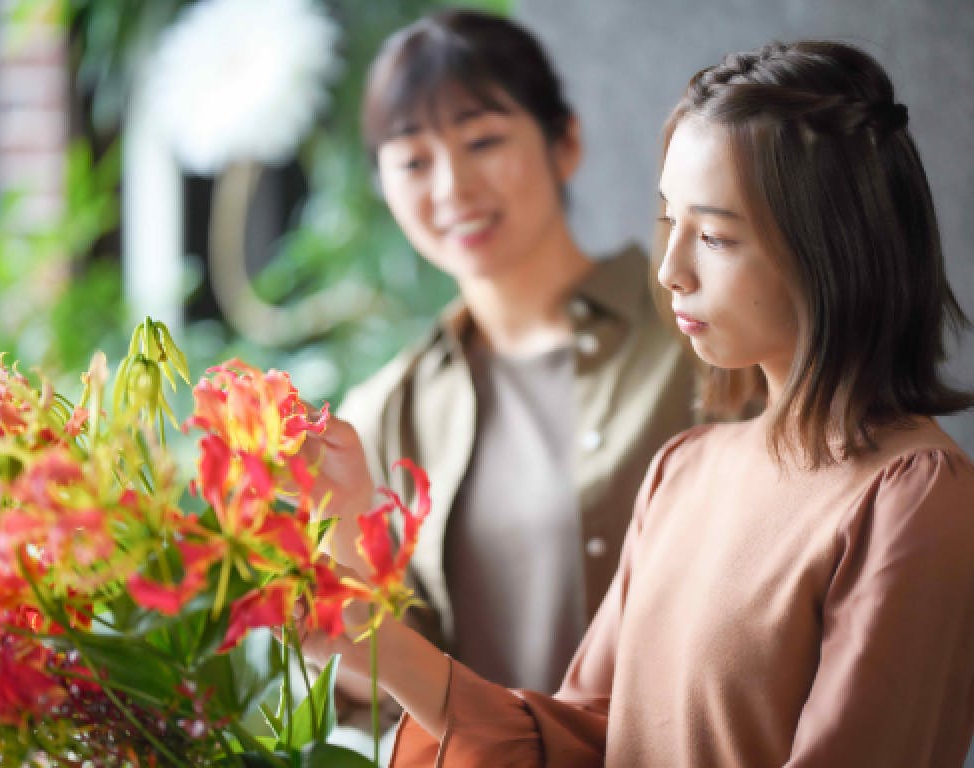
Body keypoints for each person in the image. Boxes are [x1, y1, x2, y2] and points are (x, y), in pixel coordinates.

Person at [308, 39, 974, 767]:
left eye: (714, 236)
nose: (670, 271)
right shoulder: (681, 470)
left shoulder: (910, 496)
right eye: (668, 220)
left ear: (832, 248)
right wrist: (365, 630)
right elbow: (584, 737)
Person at [336, 7, 697, 700]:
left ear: (566, 143)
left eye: (483, 141)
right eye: (414, 161)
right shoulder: (383, 415)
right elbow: (372, 696)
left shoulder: (695, 336)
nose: (453, 187)